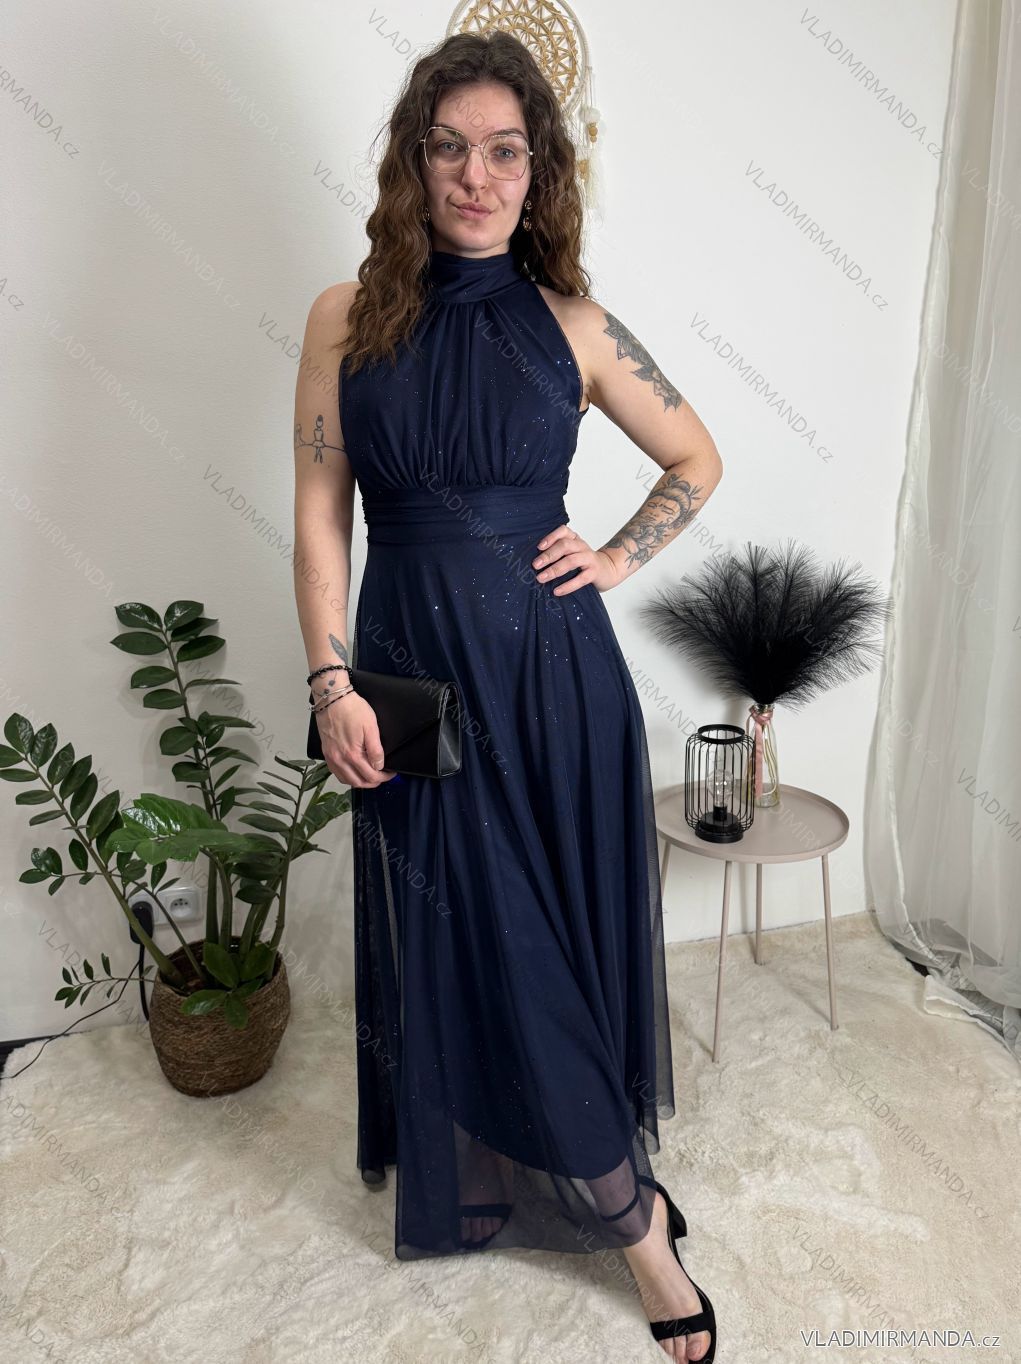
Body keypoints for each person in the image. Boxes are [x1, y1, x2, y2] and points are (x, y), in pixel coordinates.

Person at [292, 30, 723, 1362]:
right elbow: (320, 521)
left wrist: (615, 557)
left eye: (504, 152)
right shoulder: (343, 317)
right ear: (412, 163)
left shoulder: (574, 328)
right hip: (409, 679)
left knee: (541, 938)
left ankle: (628, 1221)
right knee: (470, 929)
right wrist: (328, 680)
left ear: (538, 174)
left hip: (552, 677)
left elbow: (696, 459)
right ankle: (563, 1187)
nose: (475, 176)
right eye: (449, 149)